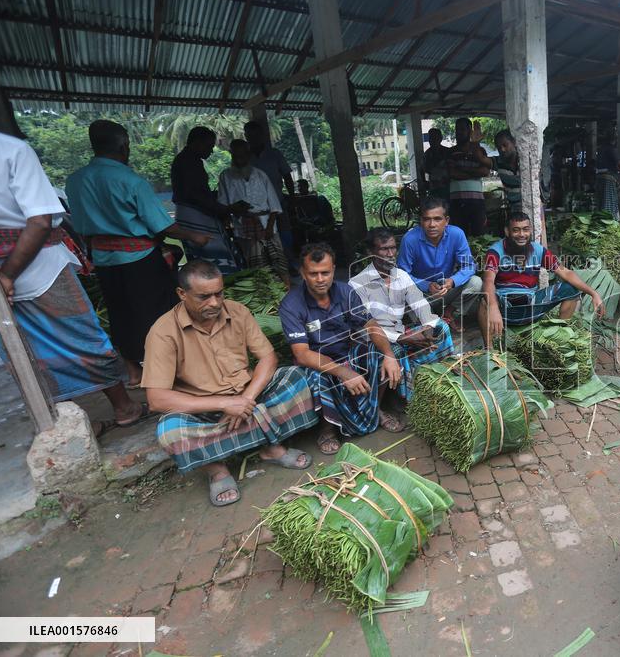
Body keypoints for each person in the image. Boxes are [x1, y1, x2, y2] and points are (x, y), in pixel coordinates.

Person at [0, 130, 148, 432]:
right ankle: (123, 407)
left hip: (15, 269)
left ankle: (63, 424)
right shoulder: (12, 150)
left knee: (23, 351)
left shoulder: (64, 173)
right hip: (38, 264)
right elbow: (40, 221)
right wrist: (7, 275)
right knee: (83, 338)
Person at [143, 260, 317, 507]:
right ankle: (217, 470)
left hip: (251, 398)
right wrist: (225, 403)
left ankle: (269, 447)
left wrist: (245, 400)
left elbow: (268, 358)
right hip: (206, 412)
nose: (214, 303)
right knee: (170, 431)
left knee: (297, 378)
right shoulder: (163, 332)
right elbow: (157, 398)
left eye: (219, 293)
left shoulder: (237, 311)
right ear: (182, 294)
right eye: (204, 297)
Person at [66, 120, 210, 387]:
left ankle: (133, 372)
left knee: (119, 313)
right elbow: (163, 225)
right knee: (159, 314)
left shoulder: (75, 181)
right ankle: (172, 373)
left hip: (104, 259)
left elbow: (81, 227)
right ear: (124, 146)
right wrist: (194, 235)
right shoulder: (130, 180)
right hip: (139, 258)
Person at [280, 243, 404, 455]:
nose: (320, 279)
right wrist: (344, 372)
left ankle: (376, 409)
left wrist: (389, 355)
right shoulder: (291, 305)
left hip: (348, 352)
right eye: (314, 274)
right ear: (302, 273)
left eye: (325, 273)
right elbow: (301, 354)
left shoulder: (345, 292)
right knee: (316, 378)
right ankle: (327, 428)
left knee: (383, 353)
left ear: (333, 269)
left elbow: (371, 325)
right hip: (318, 362)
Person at [350, 228, 454, 401]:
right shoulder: (357, 284)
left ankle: (441, 377)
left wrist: (427, 326)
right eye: (384, 249)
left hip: (400, 332)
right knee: (395, 350)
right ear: (370, 252)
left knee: (441, 327)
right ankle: (408, 399)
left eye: (393, 248)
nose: (391, 254)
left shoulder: (402, 275)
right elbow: (364, 329)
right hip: (373, 341)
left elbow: (420, 304)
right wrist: (402, 338)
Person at [479, 211, 605, 347]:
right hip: (506, 309)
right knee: (484, 301)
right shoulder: (495, 252)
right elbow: (488, 281)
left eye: (525, 229)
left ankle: (560, 337)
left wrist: (594, 293)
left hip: (533, 305)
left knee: (571, 288)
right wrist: (493, 307)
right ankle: (490, 350)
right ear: (507, 231)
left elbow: (566, 273)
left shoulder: (538, 250)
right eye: (516, 230)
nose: (522, 234)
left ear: (530, 230)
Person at [396, 197, 483, 332]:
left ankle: (449, 314)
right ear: (421, 220)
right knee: (404, 293)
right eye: (426, 219)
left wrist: (452, 281)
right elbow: (401, 274)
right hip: (421, 295)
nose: (432, 224)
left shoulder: (456, 234)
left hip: (446, 290)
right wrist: (426, 285)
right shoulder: (410, 240)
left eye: (437, 219)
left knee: (476, 282)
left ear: (446, 220)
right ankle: (428, 322)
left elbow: (469, 266)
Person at [170, 126, 247, 275]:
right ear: (197, 142)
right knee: (214, 260)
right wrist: (225, 209)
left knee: (204, 260)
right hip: (195, 215)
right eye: (209, 146)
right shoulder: (189, 161)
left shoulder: (187, 159)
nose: (211, 151)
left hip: (191, 213)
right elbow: (196, 195)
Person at [217, 139, 290, 287]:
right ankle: (266, 294)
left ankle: (286, 290)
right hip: (244, 227)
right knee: (256, 267)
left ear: (248, 156)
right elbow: (222, 205)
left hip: (267, 223)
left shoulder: (260, 175)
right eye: (236, 157)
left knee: (279, 263)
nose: (239, 160)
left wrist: (269, 227)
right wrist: (233, 209)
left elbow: (274, 204)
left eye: (242, 157)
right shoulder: (226, 176)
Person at [243, 120, 295, 258]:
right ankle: (269, 264)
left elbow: (287, 176)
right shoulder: (245, 158)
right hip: (257, 207)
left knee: (285, 232)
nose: (253, 138)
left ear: (261, 135)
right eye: (250, 135)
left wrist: (293, 197)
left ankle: (288, 261)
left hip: (278, 200)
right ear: (246, 136)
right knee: (262, 236)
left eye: (256, 135)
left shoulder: (274, 154)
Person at [447, 118, 490, 236]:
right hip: (456, 201)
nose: (459, 132)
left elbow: (485, 171)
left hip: (476, 201)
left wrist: (461, 169)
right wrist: (475, 172)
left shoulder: (480, 151)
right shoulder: (451, 152)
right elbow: (452, 173)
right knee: (459, 235)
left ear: (469, 131)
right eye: (457, 130)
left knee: (479, 235)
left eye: (462, 129)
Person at [595, 132, 620, 220]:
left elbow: (617, 167)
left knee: (601, 200)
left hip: (600, 177)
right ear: (613, 140)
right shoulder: (611, 149)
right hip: (608, 178)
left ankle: (601, 217)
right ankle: (608, 219)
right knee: (608, 200)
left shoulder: (601, 149)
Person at [492, 130, 522, 214]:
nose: (502, 149)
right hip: (514, 209)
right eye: (499, 147)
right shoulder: (498, 162)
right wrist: (476, 143)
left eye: (505, 145)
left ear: (514, 142)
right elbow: (481, 159)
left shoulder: (526, 160)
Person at [423, 128, 451, 202]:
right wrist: (426, 183)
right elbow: (423, 170)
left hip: (448, 189)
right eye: (430, 138)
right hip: (434, 189)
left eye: (435, 138)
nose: (432, 140)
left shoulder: (447, 152)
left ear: (440, 139)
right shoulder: (427, 154)